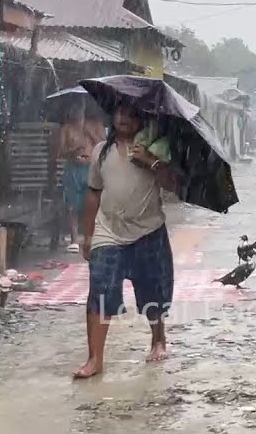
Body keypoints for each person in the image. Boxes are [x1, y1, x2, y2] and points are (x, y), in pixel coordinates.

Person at [75, 104, 178, 379]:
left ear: (141, 118)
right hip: (108, 231)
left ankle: (158, 339)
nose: (123, 118)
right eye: (119, 113)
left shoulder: (156, 148)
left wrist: (151, 161)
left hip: (149, 230)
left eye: (131, 113)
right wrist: (86, 236)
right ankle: (95, 359)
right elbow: (93, 194)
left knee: (153, 291)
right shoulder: (101, 151)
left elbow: (173, 185)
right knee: (100, 288)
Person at [59, 100, 105, 252]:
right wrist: (74, 148)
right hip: (73, 168)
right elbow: (61, 152)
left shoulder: (95, 124)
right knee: (72, 205)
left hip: (91, 168)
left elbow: (104, 144)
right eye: (74, 107)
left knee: (91, 203)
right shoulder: (67, 128)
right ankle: (73, 240)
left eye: (80, 107)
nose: (77, 110)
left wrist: (89, 133)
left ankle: (90, 237)